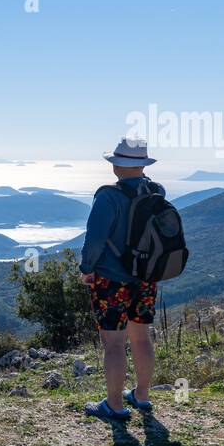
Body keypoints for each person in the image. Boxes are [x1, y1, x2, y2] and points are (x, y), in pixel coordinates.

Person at [80, 138, 161, 424]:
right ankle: (141, 395)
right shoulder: (156, 191)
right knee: (141, 338)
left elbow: (95, 240)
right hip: (146, 277)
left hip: (112, 280)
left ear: (117, 164)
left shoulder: (108, 197)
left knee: (113, 343)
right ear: (142, 164)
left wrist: (87, 269)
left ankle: (114, 406)